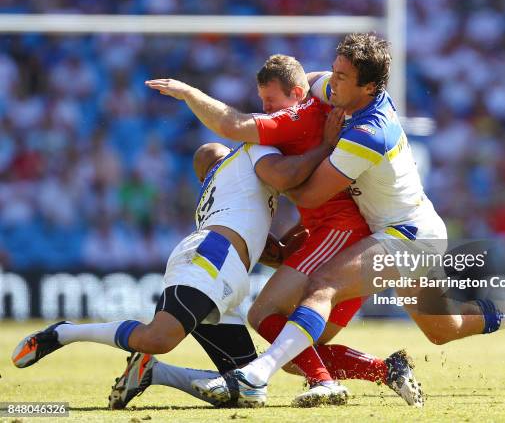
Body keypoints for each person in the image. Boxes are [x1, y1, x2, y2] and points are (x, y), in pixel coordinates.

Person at [191, 33, 505, 407]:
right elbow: (305, 87)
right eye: (333, 70)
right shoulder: (336, 90)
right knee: (446, 328)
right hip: (407, 230)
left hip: (409, 236)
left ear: (369, 87)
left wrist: (271, 169)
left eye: (342, 77)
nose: (331, 82)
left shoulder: (369, 132)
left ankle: (257, 375)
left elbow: (310, 192)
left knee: (323, 287)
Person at [145, 54, 423, 408]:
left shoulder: (298, 116)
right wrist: (291, 237)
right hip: (333, 233)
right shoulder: (317, 103)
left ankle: (324, 384)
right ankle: (387, 370)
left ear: (294, 94)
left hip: (340, 233)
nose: (265, 109)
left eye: (270, 101)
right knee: (296, 347)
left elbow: (235, 128)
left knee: (263, 315)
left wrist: (188, 93)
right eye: (262, 101)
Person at [12, 134, 336, 409]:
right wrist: (326, 144)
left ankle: (155, 373)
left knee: (246, 387)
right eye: (220, 153)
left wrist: (308, 234)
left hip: (225, 273)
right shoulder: (241, 160)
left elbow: (274, 254)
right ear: (217, 166)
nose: (223, 150)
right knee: (158, 337)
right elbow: (290, 174)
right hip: (212, 258)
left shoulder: (231, 197)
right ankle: (64, 332)